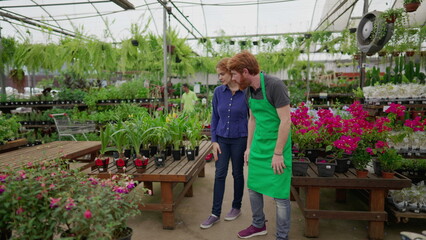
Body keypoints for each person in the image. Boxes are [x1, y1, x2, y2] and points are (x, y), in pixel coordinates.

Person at [228, 51, 292, 240]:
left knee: (280, 196)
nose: (232, 78)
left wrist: (278, 153)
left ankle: (282, 236)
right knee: (253, 187)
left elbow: (286, 121)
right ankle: (258, 225)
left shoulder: (274, 86)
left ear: (245, 71)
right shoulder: (248, 90)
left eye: (234, 74)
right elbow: (253, 119)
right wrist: (249, 147)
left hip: (277, 147)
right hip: (259, 146)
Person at [200, 58, 248, 229]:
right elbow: (214, 118)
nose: (219, 77)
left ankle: (236, 207)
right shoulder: (219, 92)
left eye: (222, 74)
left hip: (239, 139)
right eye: (218, 74)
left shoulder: (246, 92)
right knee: (219, 174)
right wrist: (213, 141)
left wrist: (249, 145)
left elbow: (252, 119)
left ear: (231, 73)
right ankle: (215, 213)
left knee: (237, 173)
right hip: (221, 140)